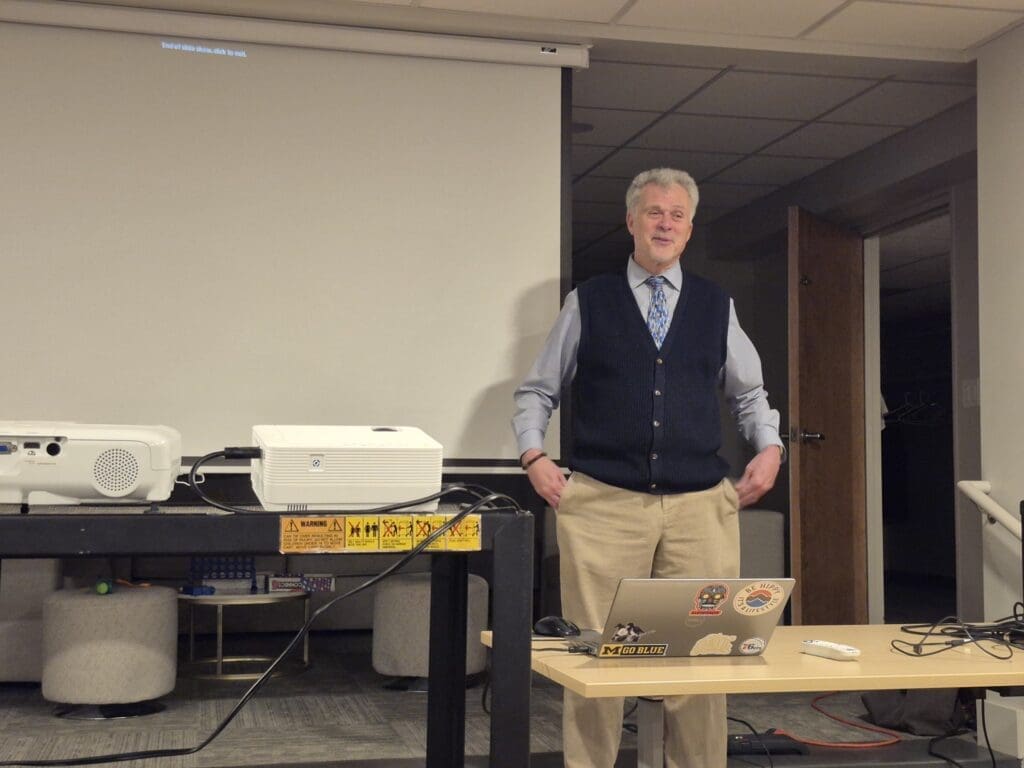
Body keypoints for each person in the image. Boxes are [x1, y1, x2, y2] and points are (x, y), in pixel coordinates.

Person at [511, 167, 784, 768]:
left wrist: (770, 446)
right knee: (596, 666)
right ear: (631, 221)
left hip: (700, 508)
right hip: (603, 503)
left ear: (688, 229)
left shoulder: (717, 305)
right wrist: (534, 455)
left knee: (704, 661)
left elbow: (749, 395)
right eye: (654, 212)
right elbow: (537, 391)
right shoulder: (589, 301)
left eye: (677, 214)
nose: (665, 223)